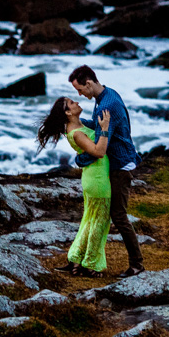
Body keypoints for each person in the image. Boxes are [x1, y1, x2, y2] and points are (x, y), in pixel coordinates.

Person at [69, 64, 145, 278]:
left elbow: (99, 147)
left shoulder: (106, 105)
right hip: (121, 161)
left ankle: (137, 265)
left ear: (89, 83)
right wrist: (74, 122)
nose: (79, 94)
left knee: (119, 216)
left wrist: (79, 158)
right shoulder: (107, 94)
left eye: (80, 89)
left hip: (120, 166)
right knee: (115, 215)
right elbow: (96, 125)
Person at [36, 97, 112, 277]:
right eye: (71, 103)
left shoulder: (78, 127)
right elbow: (99, 152)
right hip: (97, 180)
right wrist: (105, 128)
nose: (77, 102)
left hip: (95, 178)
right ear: (68, 113)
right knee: (99, 222)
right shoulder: (75, 132)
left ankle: (76, 258)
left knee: (90, 220)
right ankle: (91, 264)